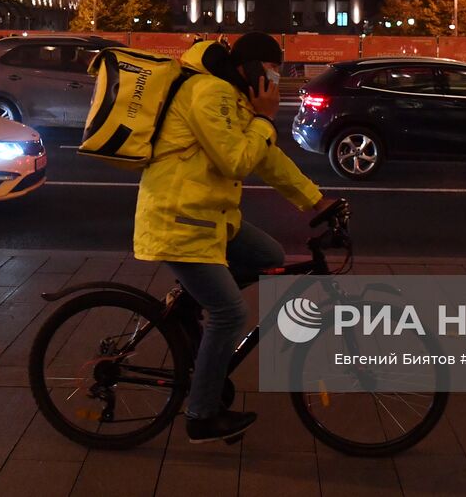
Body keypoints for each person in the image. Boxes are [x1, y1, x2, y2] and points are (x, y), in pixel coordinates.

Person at [133, 32, 339, 444]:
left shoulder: (229, 95)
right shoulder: (208, 93)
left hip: (209, 218)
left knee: (269, 255)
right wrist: (264, 119)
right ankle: (202, 414)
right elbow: (237, 161)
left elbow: (267, 158)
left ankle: (191, 304)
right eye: (270, 71)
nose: (274, 81)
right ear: (249, 69)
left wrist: (316, 201)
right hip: (181, 220)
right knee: (230, 315)